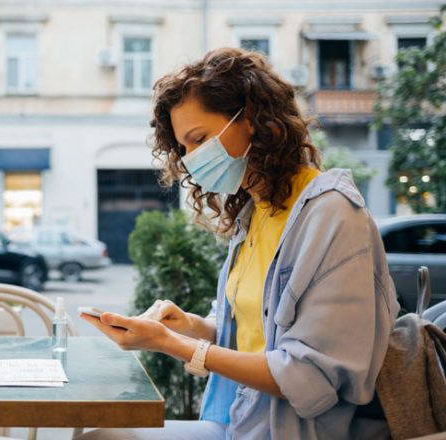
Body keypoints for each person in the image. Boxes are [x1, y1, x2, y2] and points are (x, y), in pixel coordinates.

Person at [77, 47, 400, 439]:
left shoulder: (332, 214)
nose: (191, 159)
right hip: (240, 419)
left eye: (199, 139)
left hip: (292, 430)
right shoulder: (256, 210)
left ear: (251, 120)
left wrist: (177, 346)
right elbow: (252, 329)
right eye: (183, 149)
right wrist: (191, 326)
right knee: (97, 434)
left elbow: (311, 378)